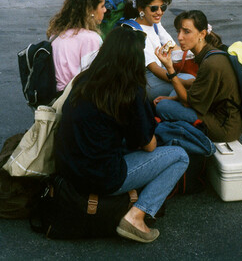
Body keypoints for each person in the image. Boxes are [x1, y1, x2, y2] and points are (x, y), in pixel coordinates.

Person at [54, 26, 189, 243]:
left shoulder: (84, 79)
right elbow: (149, 146)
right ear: (134, 59)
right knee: (179, 156)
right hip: (101, 177)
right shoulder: (129, 90)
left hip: (68, 170)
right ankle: (137, 216)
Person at [154, 10, 242, 143]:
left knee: (163, 107)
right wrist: (173, 97)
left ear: (202, 34)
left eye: (186, 32)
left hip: (224, 128)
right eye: (178, 31)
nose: (179, 37)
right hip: (223, 116)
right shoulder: (210, 52)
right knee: (174, 92)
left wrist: (170, 69)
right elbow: (196, 84)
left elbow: (186, 102)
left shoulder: (211, 63)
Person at [123, 0, 194, 100]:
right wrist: (182, 82)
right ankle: (166, 108)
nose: (159, 12)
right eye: (154, 8)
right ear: (141, 9)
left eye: (163, 7)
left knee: (192, 79)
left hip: (162, 73)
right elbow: (154, 68)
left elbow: (174, 47)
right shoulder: (135, 31)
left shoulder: (154, 24)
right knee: (183, 86)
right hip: (145, 82)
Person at [47, 0, 107, 92]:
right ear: (90, 10)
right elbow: (93, 79)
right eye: (102, 6)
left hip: (56, 97)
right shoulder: (90, 39)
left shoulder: (57, 33)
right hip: (75, 98)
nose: (105, 10)